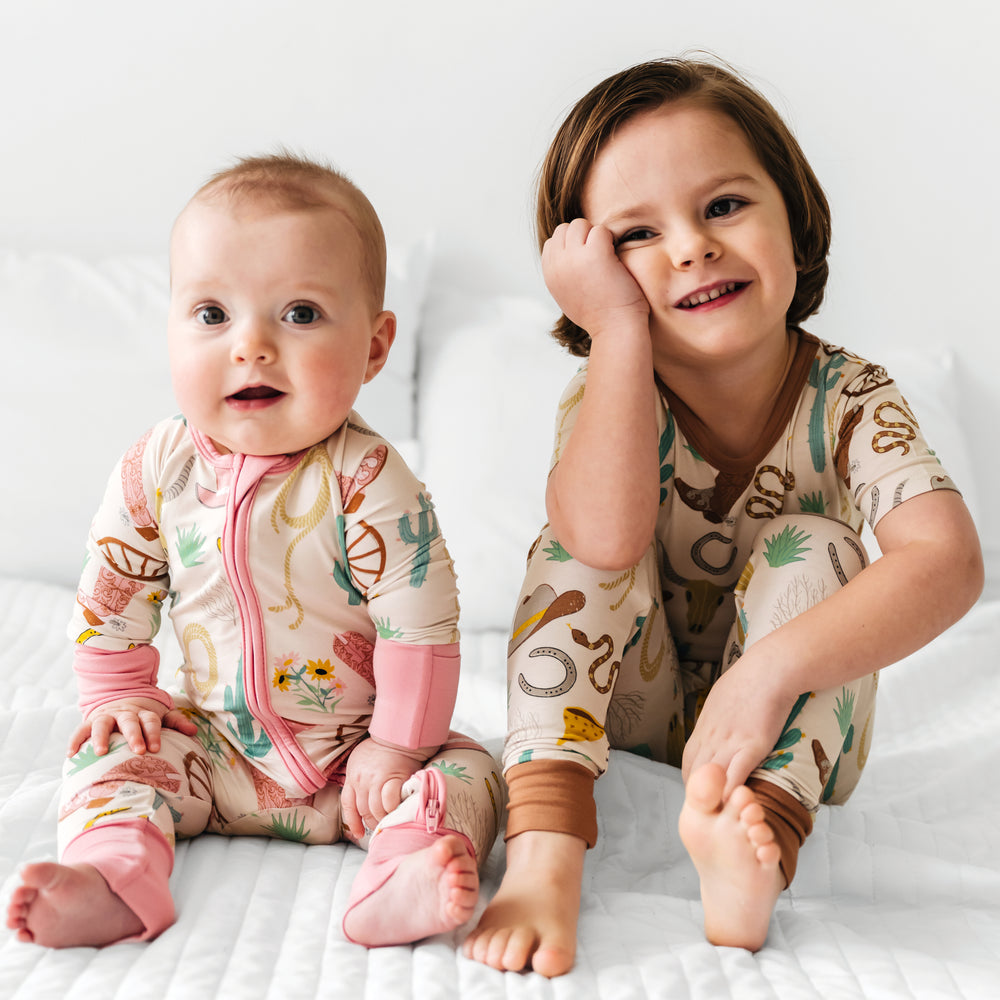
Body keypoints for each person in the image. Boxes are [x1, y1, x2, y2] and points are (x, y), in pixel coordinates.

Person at [464, 57, 983, 976]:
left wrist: (771, 673)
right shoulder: (610, 393)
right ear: (591, 275)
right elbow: (605, 542)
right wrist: (618, 335)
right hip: (634, 703)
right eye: (637, 235)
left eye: (724, 207)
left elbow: (948, 561)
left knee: (823, 545)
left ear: (795, 216)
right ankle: (545, 855)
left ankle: (758, 846)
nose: (691, 248)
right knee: (576, 541)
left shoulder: (852, 397)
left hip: (792, 718)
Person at [6, 153, 503, 949]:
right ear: (170, 329)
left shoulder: (368, 478)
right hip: (214, 749)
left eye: (300, 314)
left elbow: (420, 621)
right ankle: (112, 878)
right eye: (212, 315)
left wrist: (398, 745)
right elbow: (113, 585)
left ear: (375, 348)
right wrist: (118, 698)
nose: (252, 346)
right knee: (108, 759)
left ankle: (404, 870)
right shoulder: (159, 466)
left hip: (355, 760)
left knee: (471, 773)